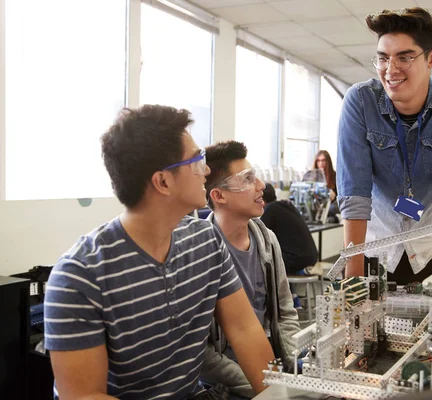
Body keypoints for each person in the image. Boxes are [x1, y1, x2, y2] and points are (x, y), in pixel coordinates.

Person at [44, 105, 274, 400]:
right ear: (162, 182)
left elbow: (245, 330)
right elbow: (84, 396)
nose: (205, 170)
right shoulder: (80, 275)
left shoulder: (206, 241)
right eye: (196, 161)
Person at [337, 8, 432, 283]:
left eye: (404, 57)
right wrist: (352, 278)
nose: (391, 70)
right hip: (373, 244)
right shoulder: (360, 101)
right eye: (383, 58)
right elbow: (354, 194)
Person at [198, 141, 300, 399]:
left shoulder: (268, 241)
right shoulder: (199, 255)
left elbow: (285, 314)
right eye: (247, 179)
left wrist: (292, 370)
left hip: (271, 373)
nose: (261, 186)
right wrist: (262, 386)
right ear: (218, 196)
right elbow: (203, 354)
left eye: (255, 175)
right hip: (224, 386)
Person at [261, 183, 319, 276]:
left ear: (262, 200)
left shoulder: (270, 209)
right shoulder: (286, 205)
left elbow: (260, 235)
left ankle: (281, 289)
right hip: (311, 257)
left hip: (297, 261)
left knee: (264, 262)